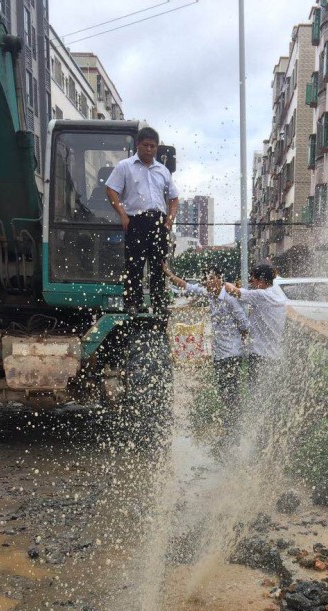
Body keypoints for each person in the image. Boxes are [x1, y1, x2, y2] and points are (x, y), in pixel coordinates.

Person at [164, 262, 250, 429]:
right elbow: (187, 286)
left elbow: (245, 326)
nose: (207, 283)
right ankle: (229, 428)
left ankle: (235, 429)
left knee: (232, 395)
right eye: (205, 280)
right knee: (224, 394)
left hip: (231, 355)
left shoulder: (230, 299)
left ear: (219, 279)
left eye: (211, 279)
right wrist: (169, 273)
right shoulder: (210, 295)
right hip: (219, 355)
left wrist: (238, 345)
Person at [105, 126, 179, 317]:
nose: (149, 149)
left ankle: (159, 302)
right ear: (138, 145)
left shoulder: (163, 170)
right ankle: (133, 303)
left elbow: (174, 198)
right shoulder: (125, 166)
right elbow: (111, 189)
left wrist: (169, 221)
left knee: (158, 264)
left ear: (157, 148)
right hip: (135, 220)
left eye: (153, 146)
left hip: (159, 222)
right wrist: (122, 214)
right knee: (134, 264)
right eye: (145, 145)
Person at [224, 264, 287, 391]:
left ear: (261, 281)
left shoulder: (261, 295)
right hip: (275, 355)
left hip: (260, 355)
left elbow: (231, 290)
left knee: (255, 391)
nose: (251, 283)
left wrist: (221, 281)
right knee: (269, 393)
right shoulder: (278, 294)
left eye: (252, 280)